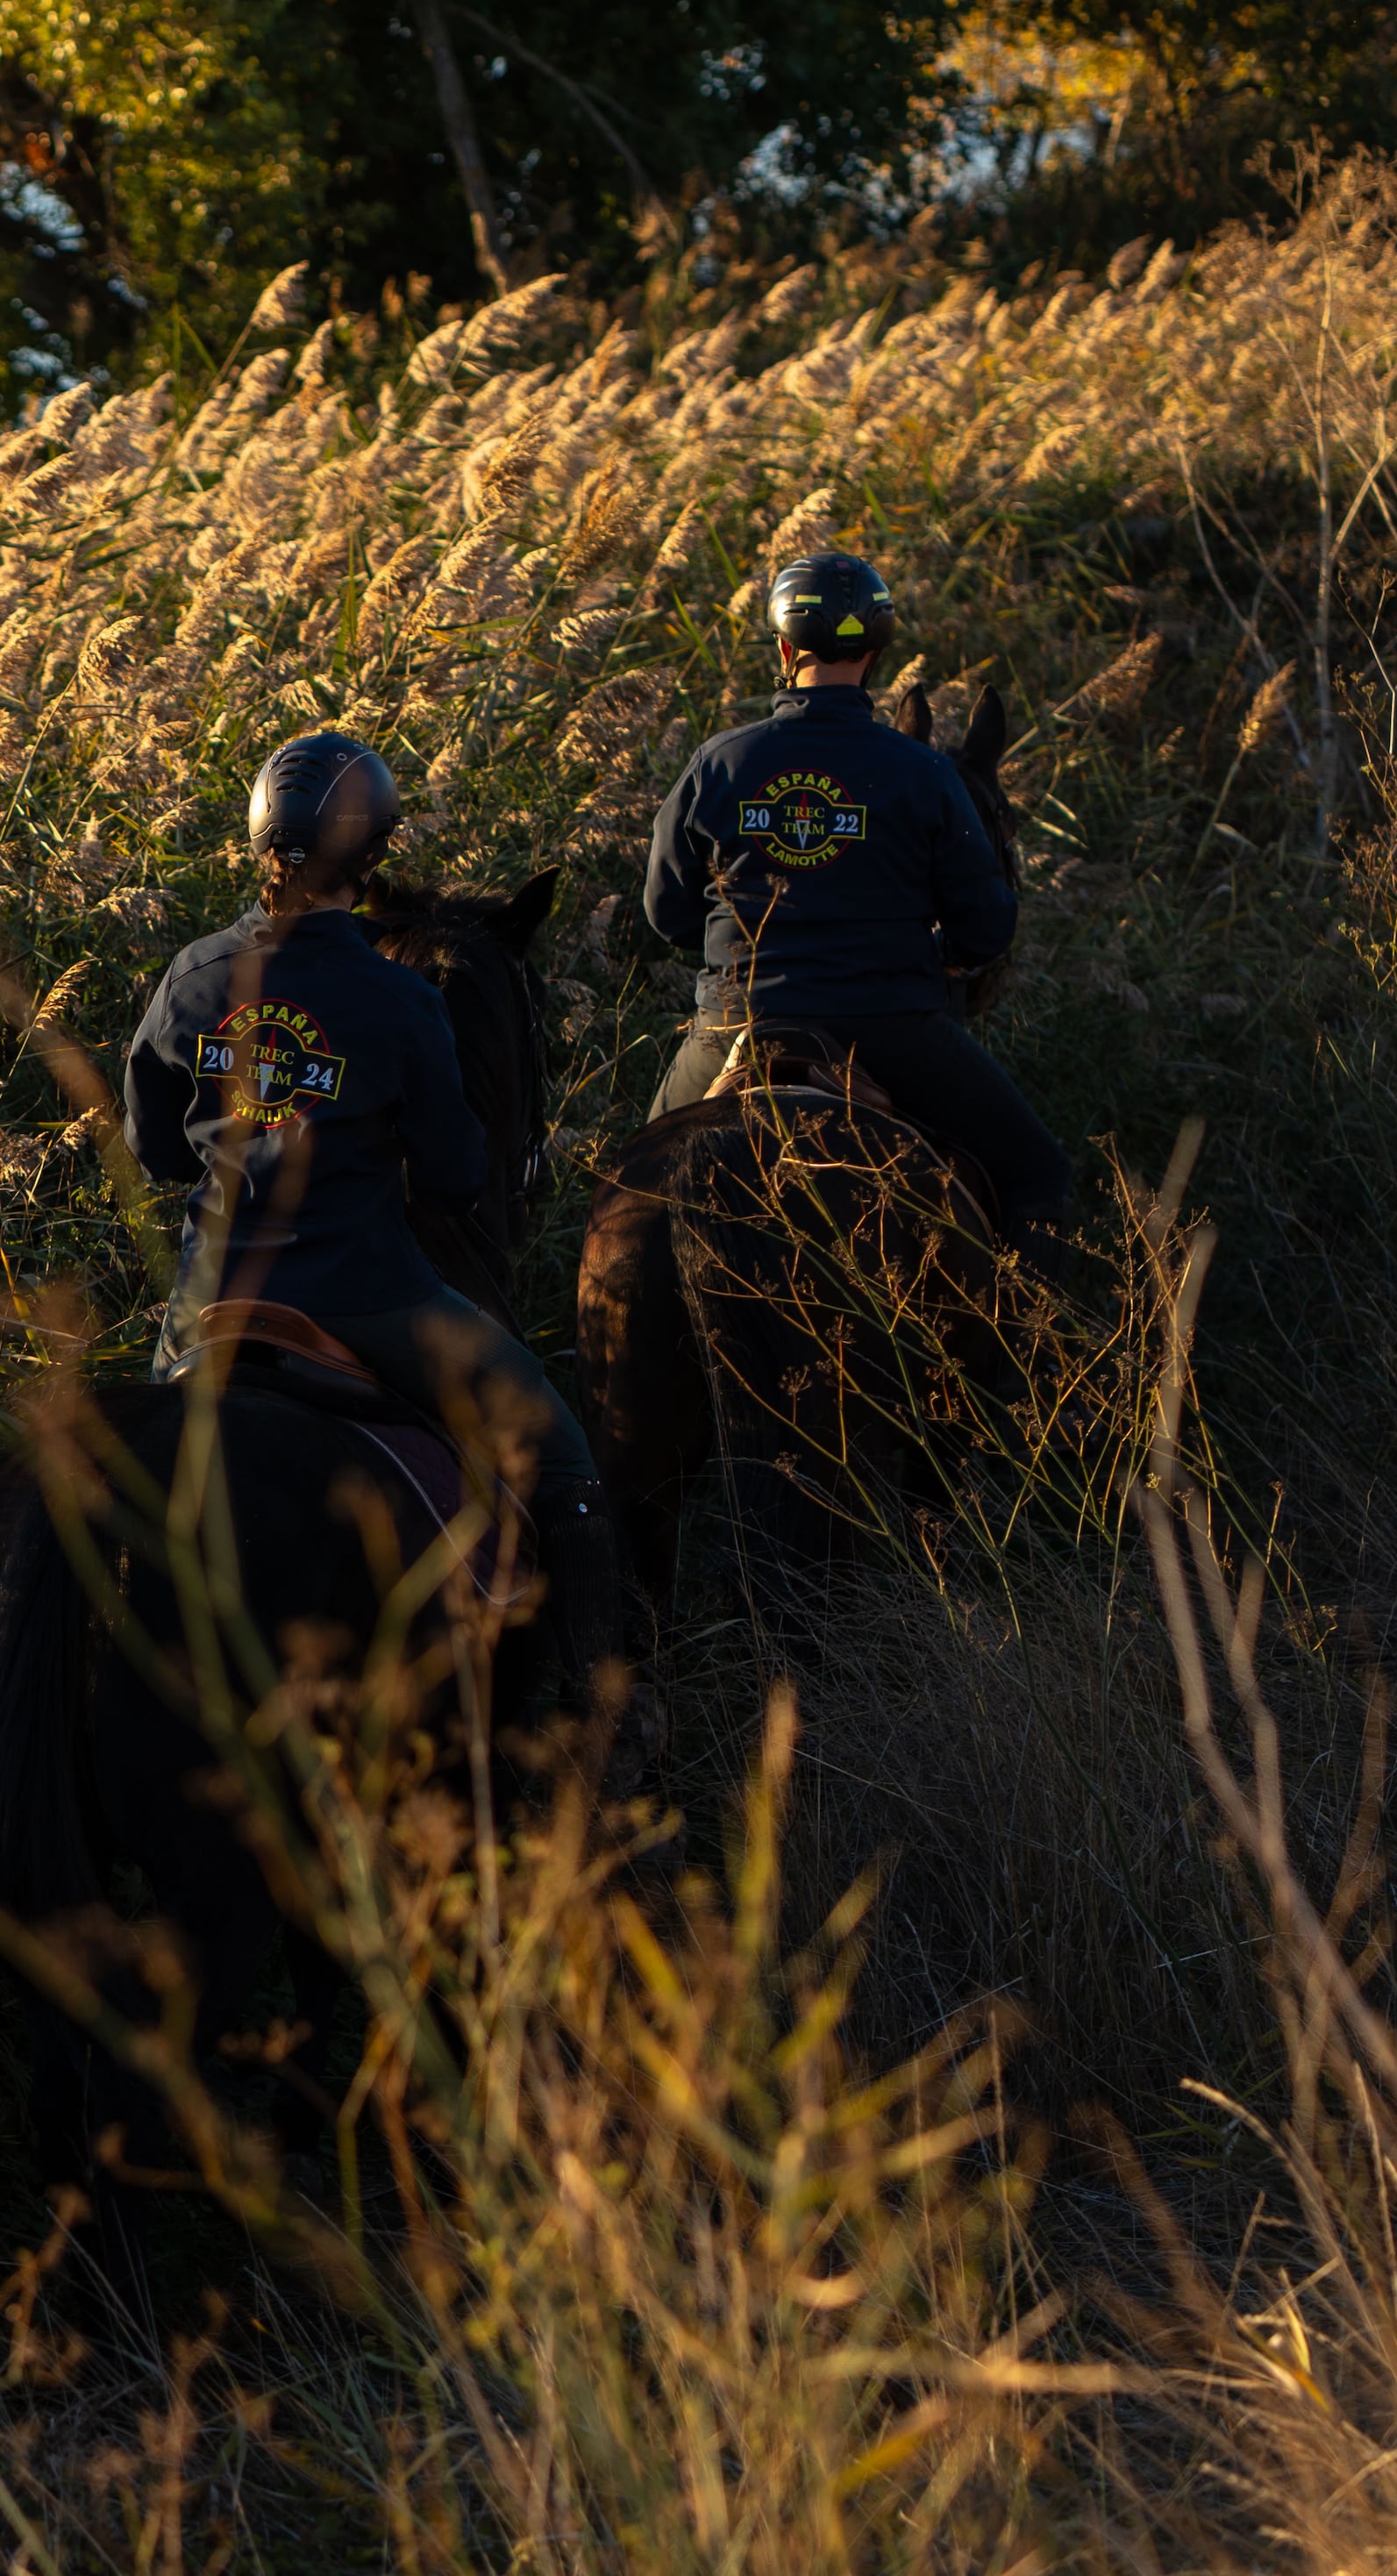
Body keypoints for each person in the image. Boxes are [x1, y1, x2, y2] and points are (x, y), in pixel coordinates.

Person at [121, 730, 633, 1716]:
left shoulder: (191, 975)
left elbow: (154, 1149)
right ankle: (597, 1720)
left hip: (205, 1307)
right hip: (367, 1297)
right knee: (563, 1456)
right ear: (374, 855)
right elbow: (453, 1177)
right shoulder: (399, 997)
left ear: (260, 843)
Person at [643, 549, 1079, 1266]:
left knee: (632, 1185)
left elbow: (667, 913)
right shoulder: (925, 773)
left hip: (737, 1022)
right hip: (891, 1030)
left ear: (785, 650)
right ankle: (1027, 1339)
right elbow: (987, 927)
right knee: (1039, 1176)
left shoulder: (718, 762)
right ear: (875, 655)